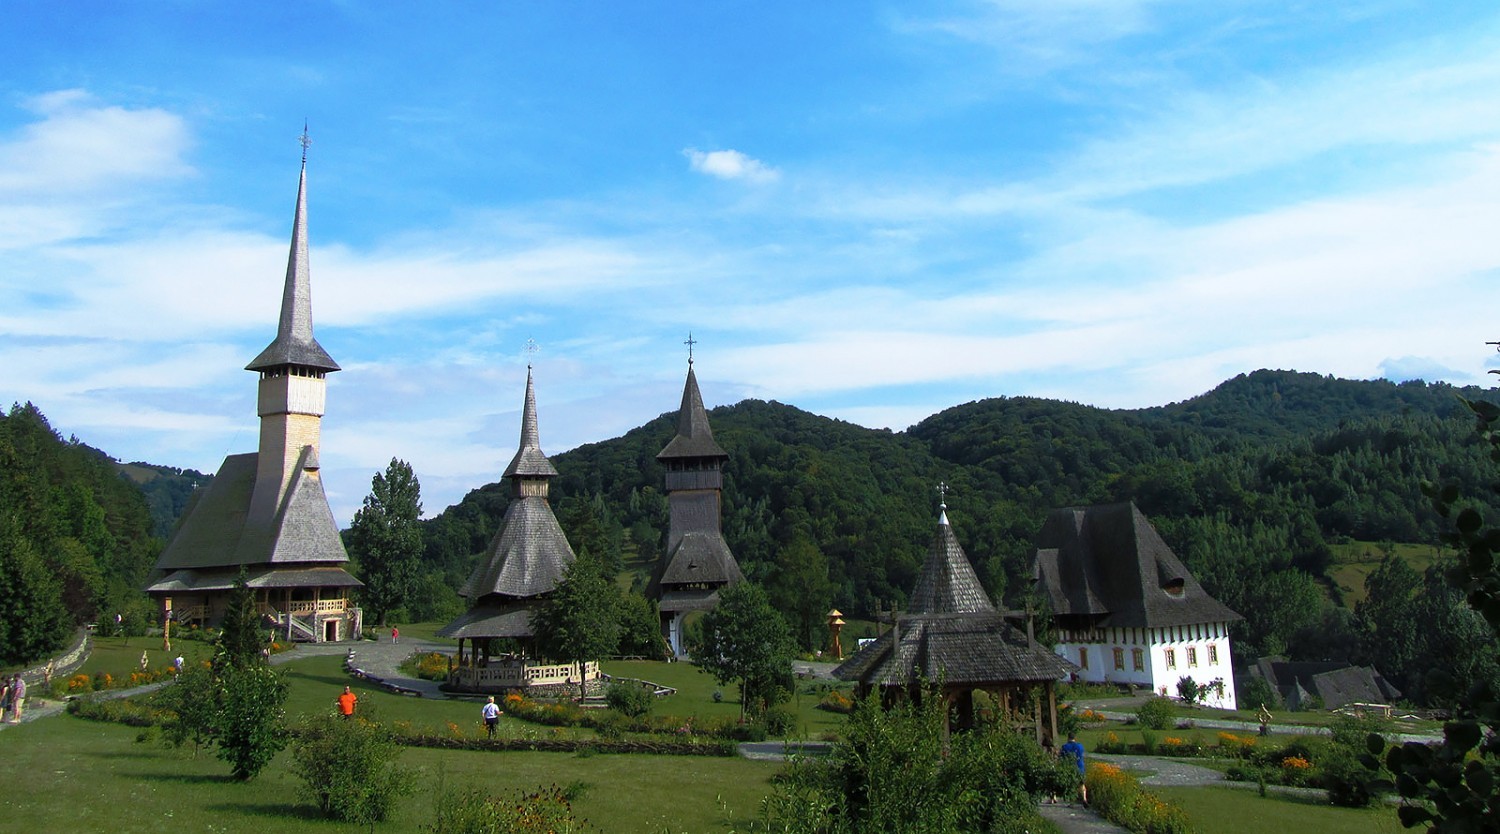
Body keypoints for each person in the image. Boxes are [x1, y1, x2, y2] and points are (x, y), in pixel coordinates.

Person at [1059, 731, 1088, 806]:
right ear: (1075, 738)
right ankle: (1084, 798)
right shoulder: (1080, 746)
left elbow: (1061, 757)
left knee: (1072, 785)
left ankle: (1072, 802)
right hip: (1080, 767)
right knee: (1081, 784)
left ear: (1068, 738)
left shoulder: (1064, 747)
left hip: (1071, 768)